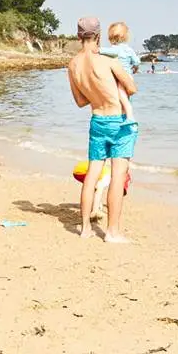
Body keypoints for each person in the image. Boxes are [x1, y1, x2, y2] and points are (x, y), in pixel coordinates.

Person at [67, 16, 138, 243]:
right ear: (98, 36)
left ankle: (86, 228)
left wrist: (95, 92)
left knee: (92, 176)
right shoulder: (108, 61)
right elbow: (132, 88)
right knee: (118, 176)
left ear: (79, 36)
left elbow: (80, 101)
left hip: (97, 121)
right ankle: (112, 232)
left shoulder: (73, 65)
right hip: (118, 122)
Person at [99, 21, 140, 121]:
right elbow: (137, 61)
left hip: (121, 78)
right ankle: (126, 116)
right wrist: (135, 68)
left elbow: (101, 51)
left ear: (111, 37)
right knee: (127, 99)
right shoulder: (129, 50)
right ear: (126, 37)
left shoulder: (114, 49)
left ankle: (130, 117)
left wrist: (96, 49)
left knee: (121, 96)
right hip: (129, 77)